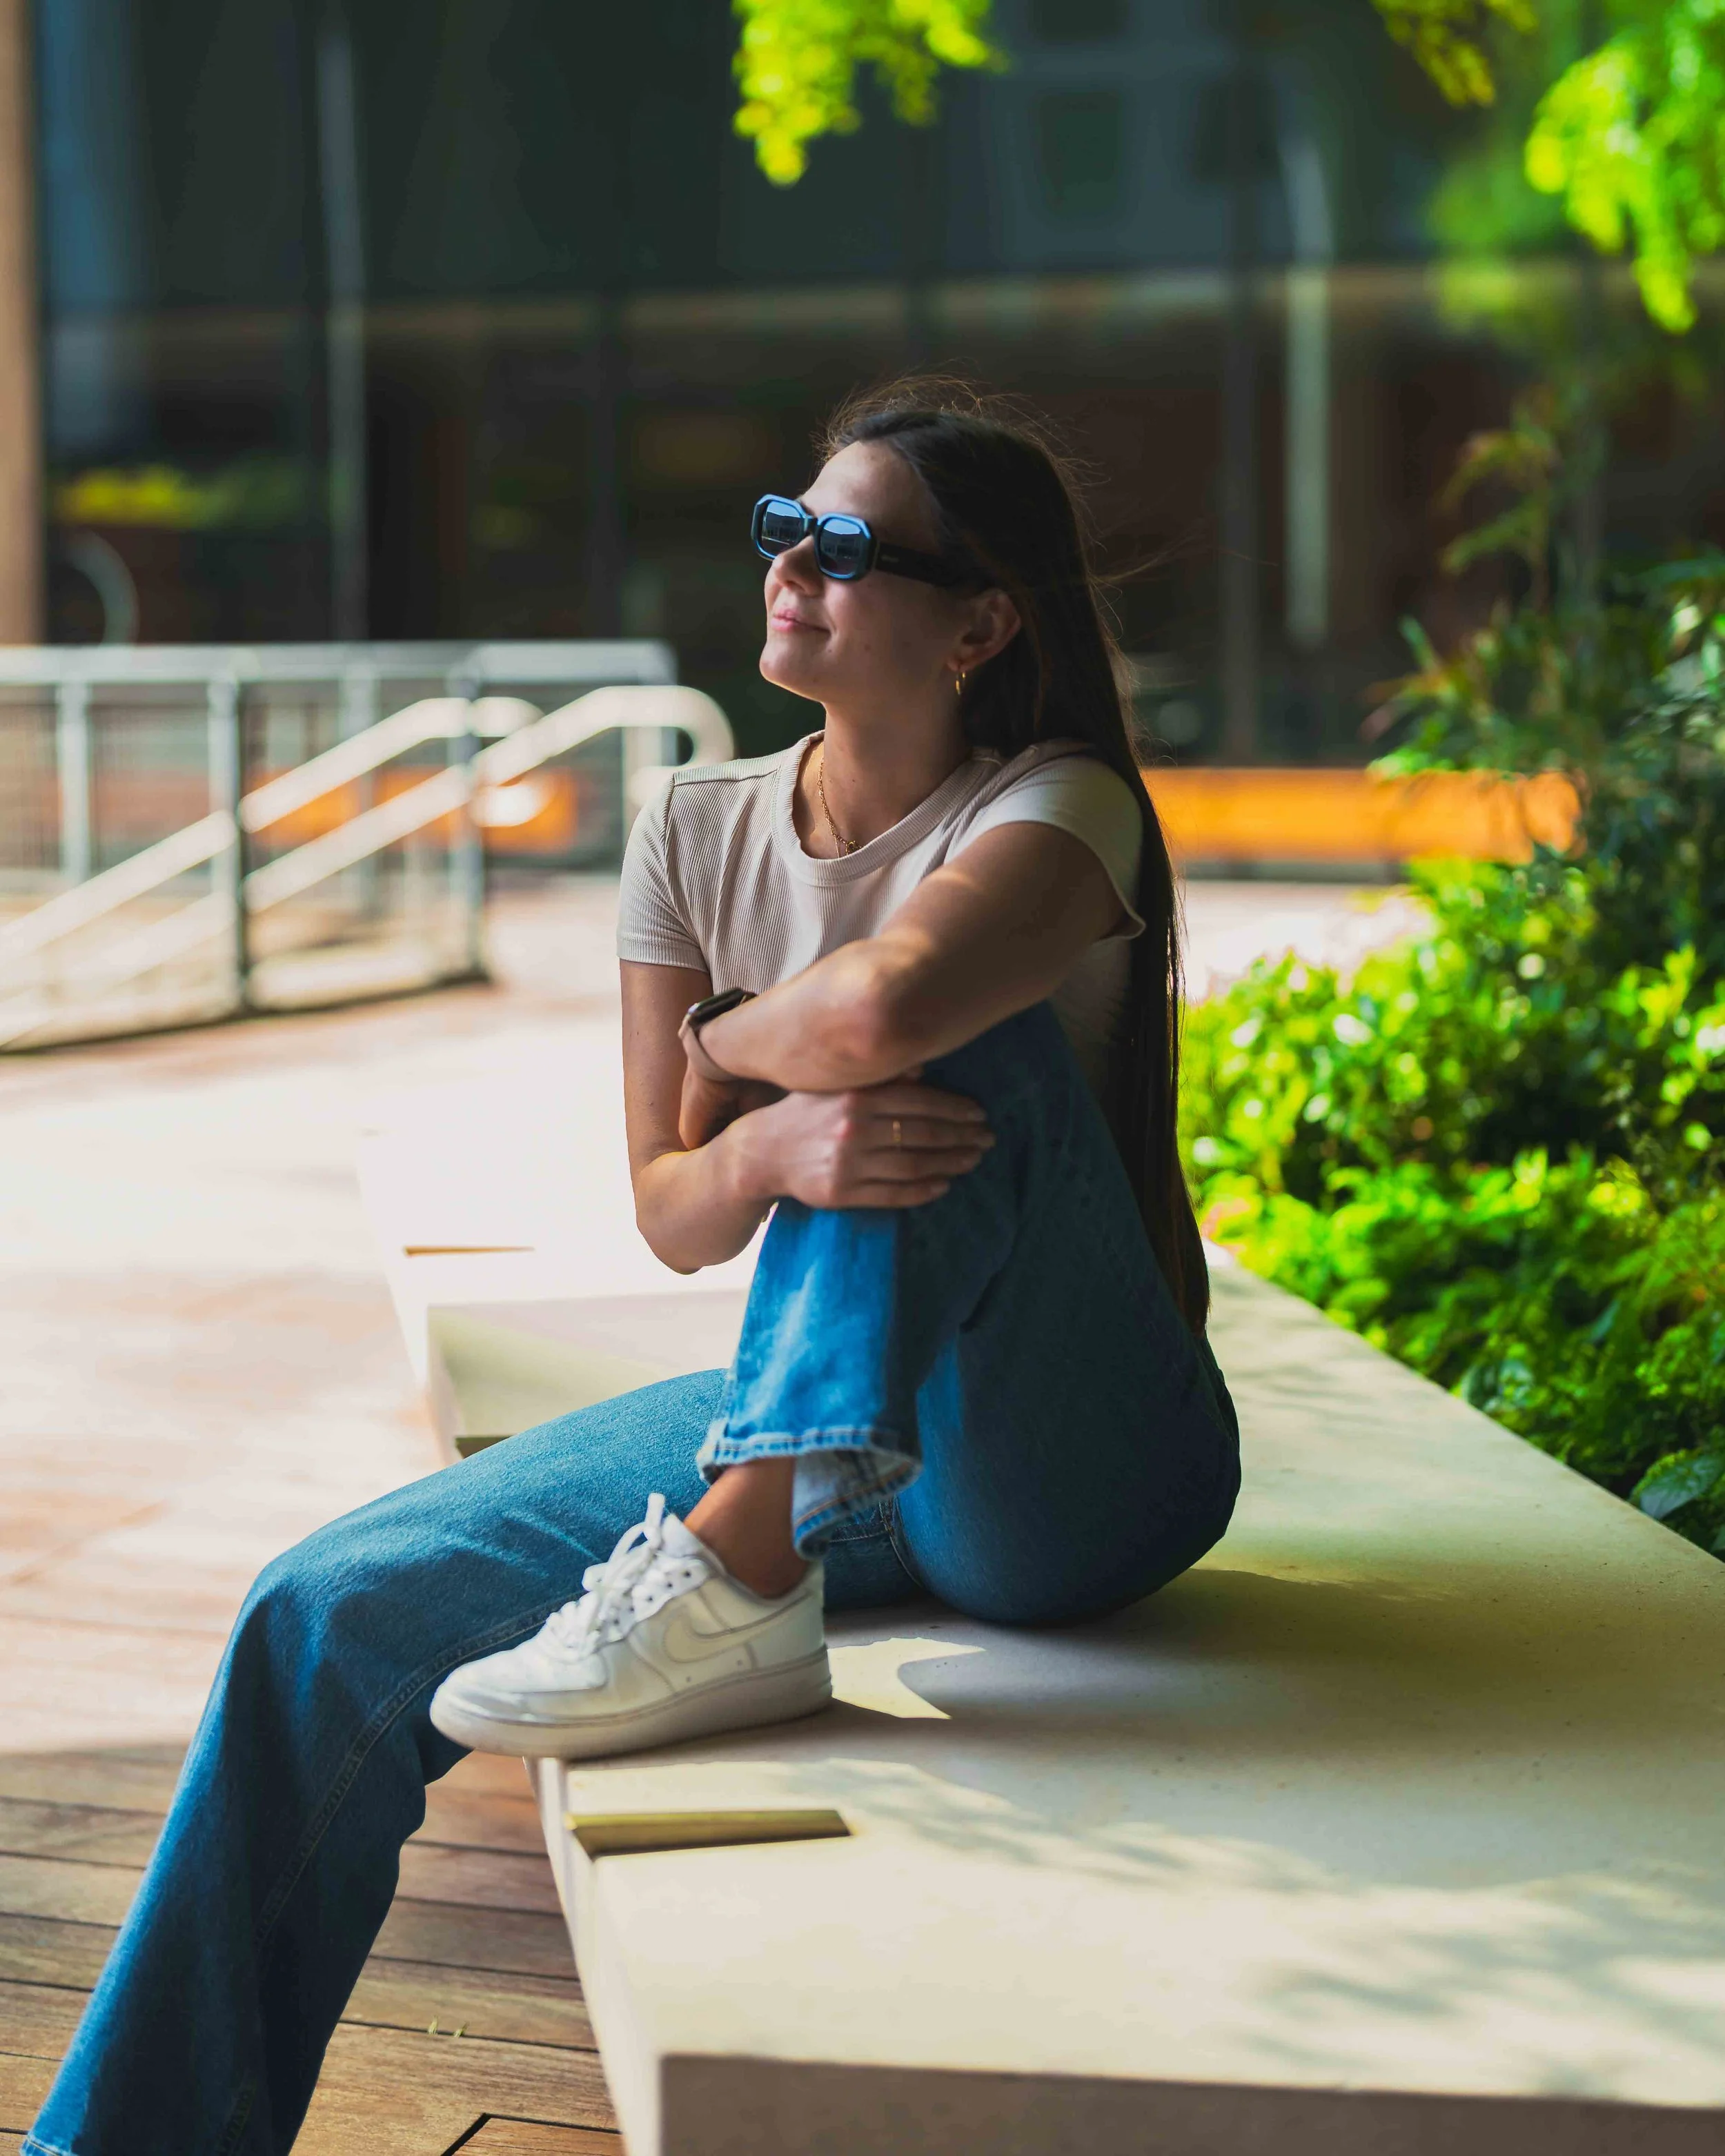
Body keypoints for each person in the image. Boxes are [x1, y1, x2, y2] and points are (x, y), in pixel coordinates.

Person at [24, 382, 1238, 2156]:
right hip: (824, 1423)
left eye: (845, 546)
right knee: (317, 1612)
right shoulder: (694, 829)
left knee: (922, 1047)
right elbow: (674, 1209)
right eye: (783, 528)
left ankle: (734, 1580)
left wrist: (745, 1052)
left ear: (980, 624)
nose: (790, 568)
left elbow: (894, 1005)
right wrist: (757, 1137)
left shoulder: (1053, 806)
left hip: (1077, 1456)